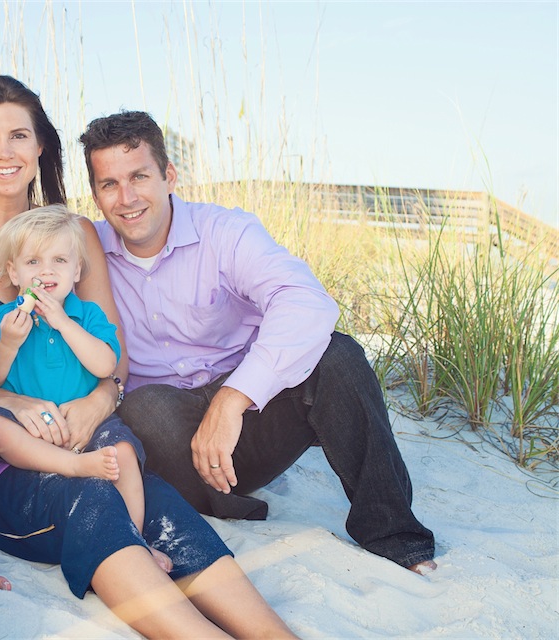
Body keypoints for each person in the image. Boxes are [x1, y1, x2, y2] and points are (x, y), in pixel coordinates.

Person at [0, 75, 296, 638]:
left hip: (77, 425)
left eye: (19, 136)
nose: (5, 153)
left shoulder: (76, 236)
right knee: (87, 495)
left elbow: (112, 357)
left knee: (143, 486)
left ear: (42, 145)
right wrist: (3, 398)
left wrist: (98, 403)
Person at [79, 110, 437, 574]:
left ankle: (394, 535)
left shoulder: (224, 231)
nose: (126, 198)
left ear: (168, 176)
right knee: (145, 407)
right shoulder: (87, 256)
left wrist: (233, 399)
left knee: (338, 355)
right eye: (109, 184)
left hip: (249, 417)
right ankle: (229, 510)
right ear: (95, 193)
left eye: (139, 177)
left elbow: (306, 301)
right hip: (168, 433)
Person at [0, 205, 163, 566]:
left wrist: (63, 322)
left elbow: (106, 365)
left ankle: (134, 540)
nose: (46, 270)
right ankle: (74, 466)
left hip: (84, 425)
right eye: (32, 262)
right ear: (13, 273)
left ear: (77, 270)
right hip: (29, 428)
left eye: (59, 260)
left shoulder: (88, 314)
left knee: (123, 453)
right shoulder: (5, 319)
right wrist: (8, 343)